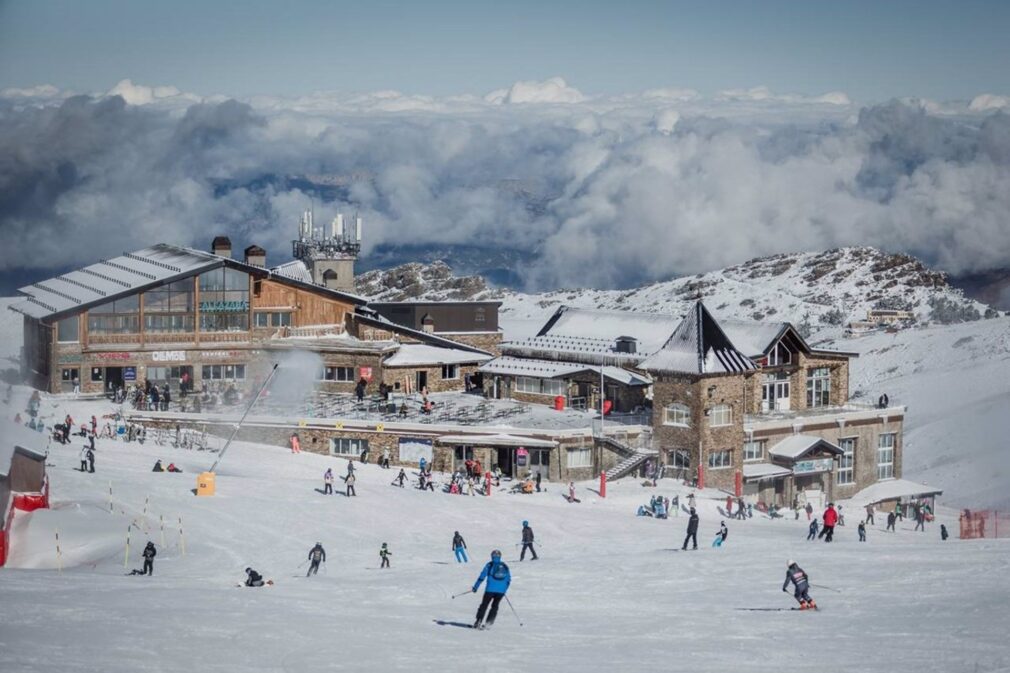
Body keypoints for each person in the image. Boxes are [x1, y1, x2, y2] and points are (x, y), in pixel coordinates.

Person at [471, 549, 511, 630]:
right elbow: (508, 580)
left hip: (490, 590)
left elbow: (482, 576)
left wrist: (475, 587)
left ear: (492, 556)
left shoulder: (489, 565)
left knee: (484, 605)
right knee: (495, 606)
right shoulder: (505, 566)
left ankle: (478, 621)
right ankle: (489, 623)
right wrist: (504, 590)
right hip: (501, 591)